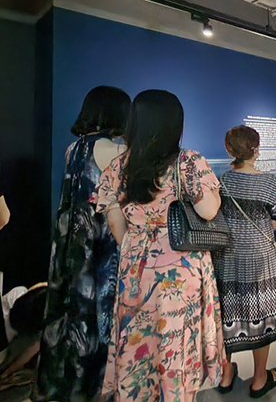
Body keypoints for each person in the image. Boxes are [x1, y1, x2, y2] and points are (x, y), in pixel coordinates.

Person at [96, 90, 224, 402]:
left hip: (136, 266)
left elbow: (116, 224)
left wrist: (141, 246)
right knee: (176, 339)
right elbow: (209, 211)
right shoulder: (188, 161)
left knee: (138, 337)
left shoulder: (118, 166)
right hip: (180, 266)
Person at [37, 85, 130, 402]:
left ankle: (65, 384)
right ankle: (94, 388)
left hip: (70, 245)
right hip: (101, 245)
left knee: (69, 314)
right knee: (99, 317)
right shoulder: (115, 153)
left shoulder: (73, 150)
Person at [213, 125, 276, 397]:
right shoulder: (268, 181)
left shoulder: (223, 180)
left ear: (229, 149)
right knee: (262, 314)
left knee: (226, 312)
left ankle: (225, 374)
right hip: (259, 256)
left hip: (226, 255)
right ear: (256, 149)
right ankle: (259, 379)